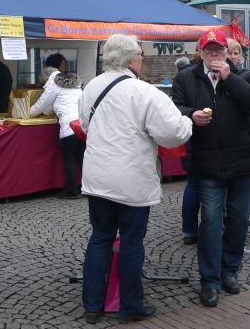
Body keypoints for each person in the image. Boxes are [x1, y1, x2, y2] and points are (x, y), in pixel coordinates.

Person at [79, 34, 192, 324]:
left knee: (100, 238)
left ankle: (92, 305)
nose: (142, 58)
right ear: (131, 59)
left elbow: (86, 124)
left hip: (98, 176)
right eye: (141, 54)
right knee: (131, 242)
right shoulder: (143, 91)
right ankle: (130, 305)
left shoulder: (91, 86)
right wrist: (189, 122)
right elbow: (172, 133)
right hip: (131, 178)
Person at [172, 29, 250, 308]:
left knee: (237, 220)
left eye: (219, 50)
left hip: (243, 162)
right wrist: (191, 115)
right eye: (209, 50)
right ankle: (209, 281)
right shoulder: (186, 77)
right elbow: (174, 108)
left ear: (227, 52)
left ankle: (230, 271)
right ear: (201, 53)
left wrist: (229, 78)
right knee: (211, 223)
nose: (215, 55)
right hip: (207, 163)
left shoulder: (242, 75)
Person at [30, 68, 84, 199]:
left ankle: (71, 191)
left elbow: (41, 105)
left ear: (46, 79)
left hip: (68, 127)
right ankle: (91, 188)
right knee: (82, 159)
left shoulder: (53, 84)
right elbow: (51, 107)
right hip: (81, 125)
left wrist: (29, 112)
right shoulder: (73, 84)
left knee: (69, 159)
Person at [173, 57, 199, 245]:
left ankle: (189, 230)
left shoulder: (181, 78)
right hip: (199, 138)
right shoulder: (192, 77)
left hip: (191, 138)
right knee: (197, 185)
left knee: (193, 184)